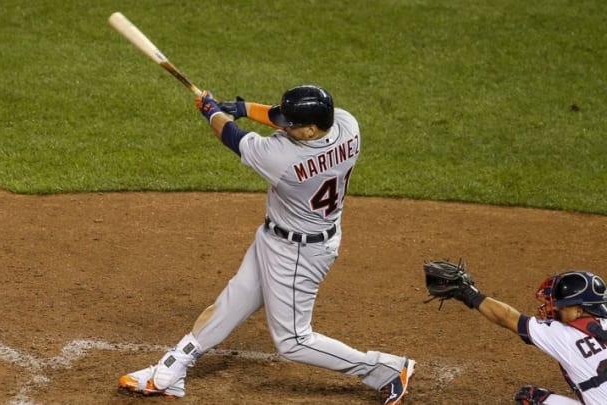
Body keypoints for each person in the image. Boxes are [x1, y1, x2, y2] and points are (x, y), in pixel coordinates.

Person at [117, 84, 416, 404]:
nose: (284, 127)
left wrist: (211, 111)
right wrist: (244, 109)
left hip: (299, 254)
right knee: (233, 301)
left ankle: (385, 369)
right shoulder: (347, 125)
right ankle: (171, 370)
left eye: (291, 125)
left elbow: (231, 137)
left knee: (294, 341)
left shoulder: (282, 159)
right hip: (282, 237)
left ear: (311, 129)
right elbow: (286, 122)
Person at [432, 265, 607, 404]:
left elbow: (507, 318)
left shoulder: (563, 334)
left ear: (578, 310)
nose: (554, 307)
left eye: (561, 305)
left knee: (529, 398)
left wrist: (467, 293)